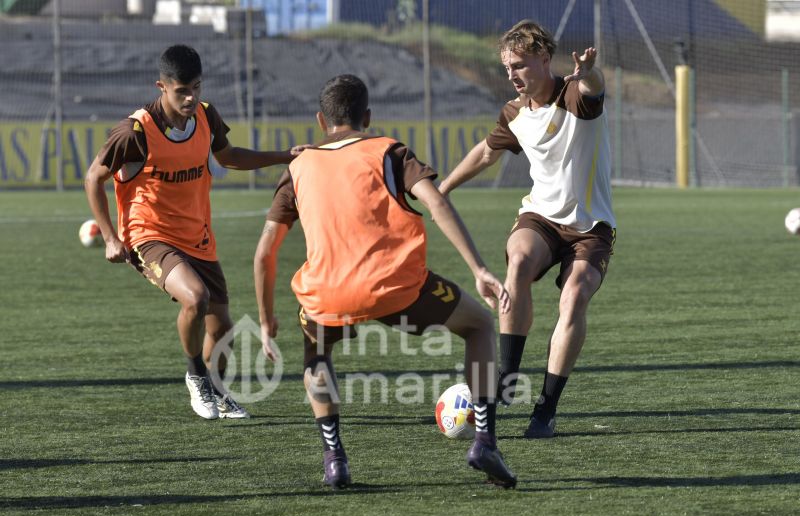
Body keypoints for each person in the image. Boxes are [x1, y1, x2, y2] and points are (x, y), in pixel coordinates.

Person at [254, 74, 517, 489]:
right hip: (396, 287)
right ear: (368, 117)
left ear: (322, 120)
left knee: (316, 355)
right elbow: (436, 202)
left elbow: (265, 252)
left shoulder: (298, 165)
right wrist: (479, 269)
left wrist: (267, 322)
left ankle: (334, 458)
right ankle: (485, 439)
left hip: (327, 294)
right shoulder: (389, 151)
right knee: (480, 325)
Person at [84, 44, 305, 421]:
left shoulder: (206, 116)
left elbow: (229, 157)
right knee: (196, 299)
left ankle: (218, 392)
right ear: (161, 87)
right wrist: (109, 237)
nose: (190, 98)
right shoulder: (135, 131)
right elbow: (94, 177)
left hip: (198, 237)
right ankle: (195, 377)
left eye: (197, 88)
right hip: (148, 236)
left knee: (223, 327)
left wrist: (285, 156)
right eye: (181, 91)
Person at [439, 20, 616, 439]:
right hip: (540, 217)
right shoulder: (515, 113)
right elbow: (485, 153)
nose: (512, 75)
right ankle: (507, 378)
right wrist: (442, 188)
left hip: (591, 228)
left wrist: (589, 70)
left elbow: (595, 87)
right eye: (506, 68)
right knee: (517, 261)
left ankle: (546, 409)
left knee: (573, 299)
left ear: (543, 59)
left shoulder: (574, 96)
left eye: (519, 65)